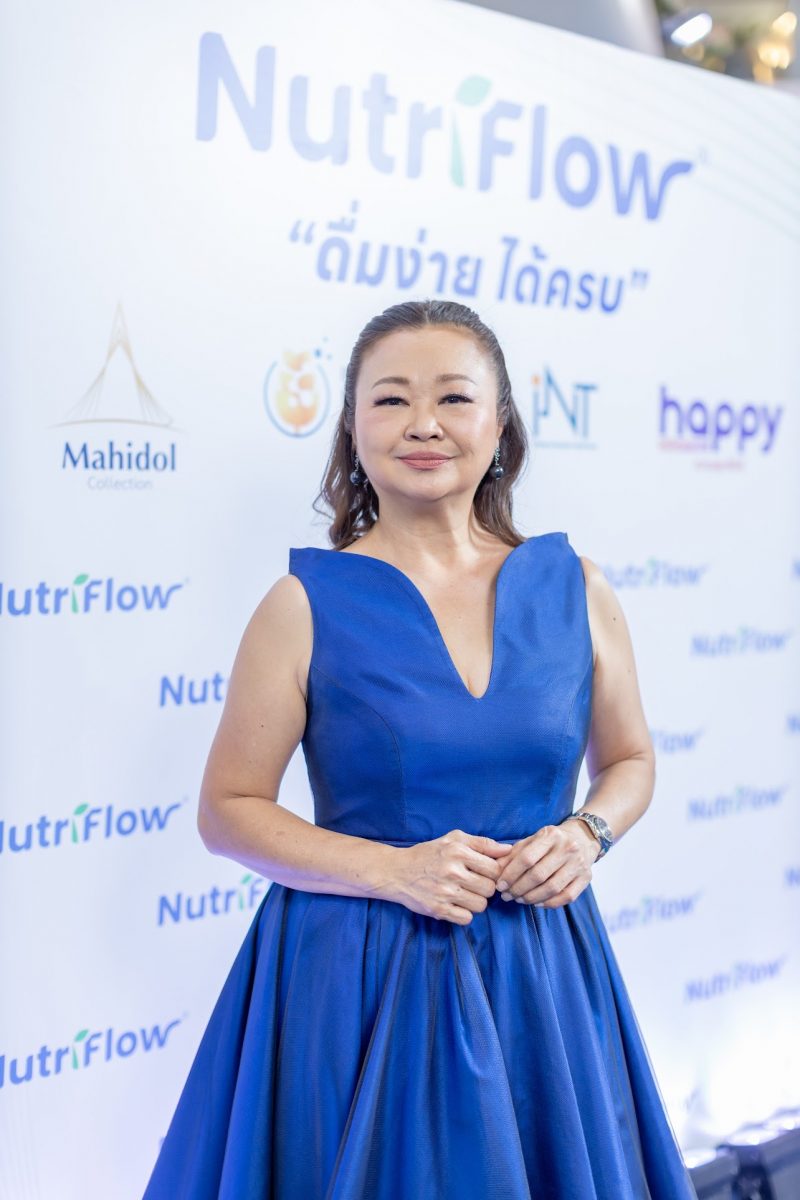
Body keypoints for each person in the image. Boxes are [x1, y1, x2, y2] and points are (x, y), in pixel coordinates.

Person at [142, 299, 698, 1199]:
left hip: (539, 973)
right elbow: (227, 811)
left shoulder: (577, 587)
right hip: (357, 974)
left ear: (500, 423)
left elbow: (631, 761)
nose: (424, 424)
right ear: (352, 428)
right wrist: (394, 871)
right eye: (392, 399)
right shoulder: (303, 604)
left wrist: (587, 834)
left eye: (454, 398)